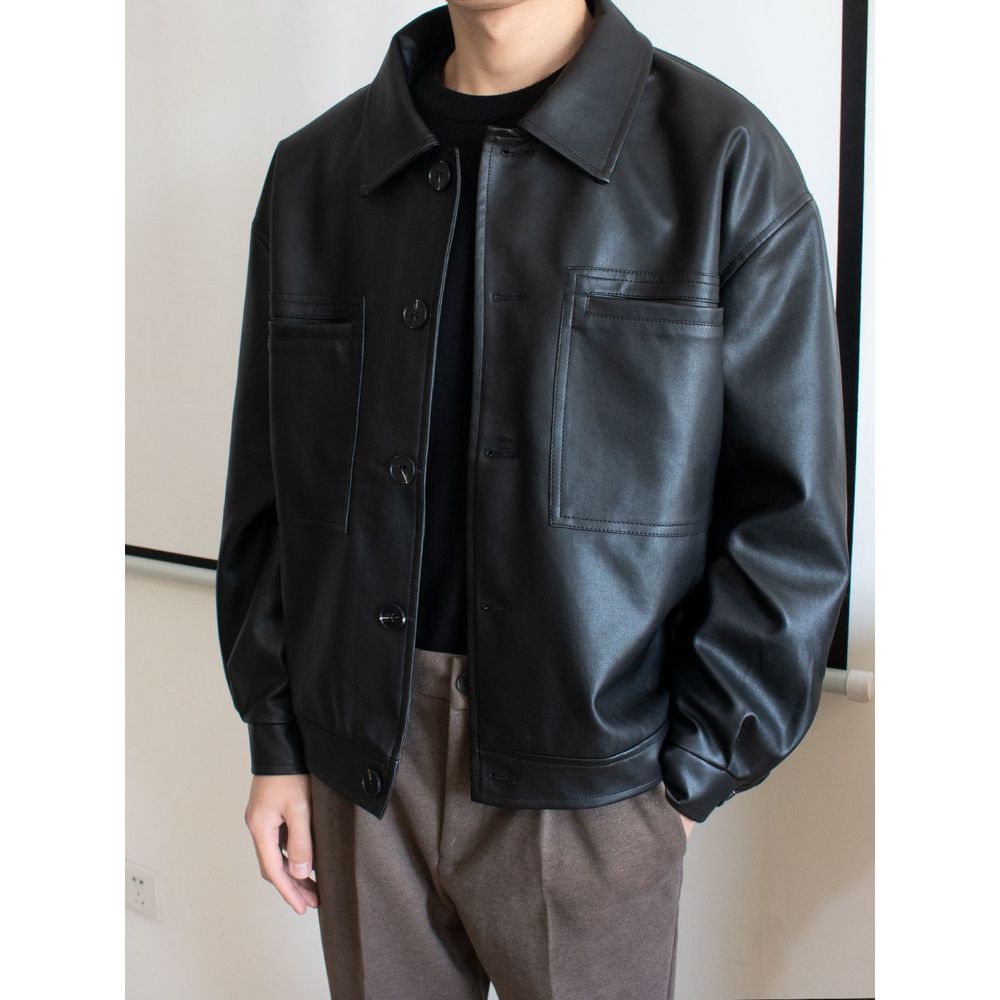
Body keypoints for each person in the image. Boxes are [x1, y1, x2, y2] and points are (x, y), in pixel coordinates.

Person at [215, 0, 851, 996]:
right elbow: (269, 482)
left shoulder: (725, 161)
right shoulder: (317, 173)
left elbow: (791, 520)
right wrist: (278, 741)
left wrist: (687, 779)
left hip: (598, 773)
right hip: (361, 760)